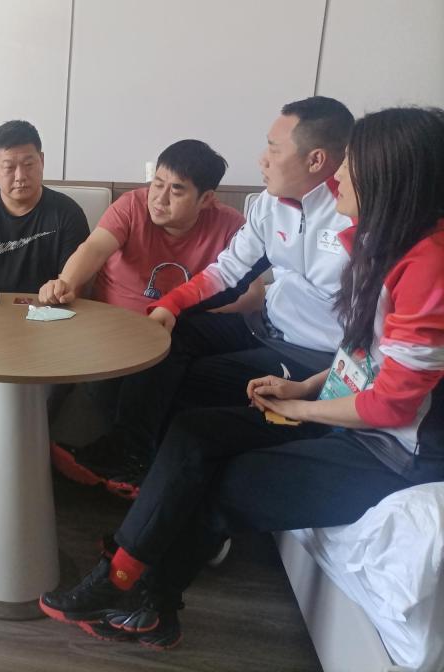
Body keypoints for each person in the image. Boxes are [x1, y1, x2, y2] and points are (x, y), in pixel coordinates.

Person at [38, 105, 444, 650]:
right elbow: (363, 354)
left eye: (352, 163)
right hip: (335, 395)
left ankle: (136, 592)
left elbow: (393, 403)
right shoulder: (380, 243)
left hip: (392, 450)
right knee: (192, 428)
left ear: (388, 176)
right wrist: (303, 389)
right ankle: (129, 571)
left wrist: (301, 404)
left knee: (218, 479)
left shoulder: (425, 266)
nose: (341, 174)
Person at [53, 97, 355, 498]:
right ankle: (130, 454)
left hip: (313, 354)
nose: (262, 159)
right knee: (163, 338)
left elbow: (377, 335)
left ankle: (150, 471)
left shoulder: (361, 217)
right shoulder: (270, 205)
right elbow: (227, 272)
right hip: (267, 329)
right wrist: (171, 304)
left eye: (273, 148)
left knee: (179, 382)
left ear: (315, 160)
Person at [39, 140, 262, 491]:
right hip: (115, 330)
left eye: (177, 190)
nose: (159, 198)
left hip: (177, 331)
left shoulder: (230, 224)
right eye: (157, 184)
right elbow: (94, 248)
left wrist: (182, 307)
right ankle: (143, 470)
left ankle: (134, 465)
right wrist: (66, 282)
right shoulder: (131, 206)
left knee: (168, 350)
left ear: (206, 199)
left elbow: (253, 295)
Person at [0, 119, 90, 450]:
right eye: (9, 167)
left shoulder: (67, 213)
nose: (20, 175)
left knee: (56, 381)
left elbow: (75, 284)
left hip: (47, 327)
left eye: (29, 164)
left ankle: (24, 458)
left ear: (42, 161)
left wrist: (60, 291)